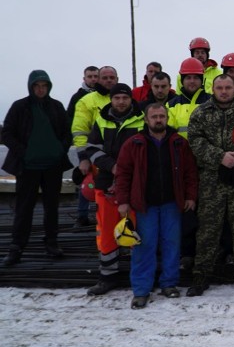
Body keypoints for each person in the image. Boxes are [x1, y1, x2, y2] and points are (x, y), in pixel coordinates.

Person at [114, 103, 199, 309]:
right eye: (154, 117)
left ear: (167, 118)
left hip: (172, 203)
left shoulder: (178, 143)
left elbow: (190, 172)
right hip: (145, 205)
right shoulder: (134, 143)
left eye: (162, 116)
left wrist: (190, 196)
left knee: (172, 244)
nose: (158, 120)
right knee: (145, 246)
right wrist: (123, 200)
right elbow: (123, 174)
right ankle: (141, 290)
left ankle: (169, 284)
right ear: (146, 119)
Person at [186, 75, 234, 296]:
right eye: (219, 87)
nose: (223, 91)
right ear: (213, 88)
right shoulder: (201, 112)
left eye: (228, 87)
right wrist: (220, 157)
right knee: (208, 230)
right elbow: (195, 139)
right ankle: (201, 276)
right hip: (212, 180)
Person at [1, 70, 73, 266]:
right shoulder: (20, 107)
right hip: (27, 166)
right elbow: (6, 133)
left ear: (49, 87)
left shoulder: (57, 107)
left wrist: (60, 150)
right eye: (37, 86)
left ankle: (51, 242)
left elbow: (68, 133)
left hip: (52, 166)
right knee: (24, 207)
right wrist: (24, 152)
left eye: (44, 86)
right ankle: (16, 247)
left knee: (52, 207)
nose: (41, 89)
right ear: (31, 87)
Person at [82, 83, 146, 295]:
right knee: (107, 232)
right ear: (111, 99)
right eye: (117, 98)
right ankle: (107, 277)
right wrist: (113, 166)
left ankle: (139, 276)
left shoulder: (142, 119)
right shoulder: (101, 120)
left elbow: (147, 150)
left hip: (135, 185)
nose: (121, 102)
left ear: (130, 99)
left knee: (136, 231)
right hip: (106, 184)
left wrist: (126, 169)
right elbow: (92, 149)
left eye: (124, 98)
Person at [167, 57, 209, 270]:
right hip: (181, 166)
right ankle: (187, 254)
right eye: (188, 77)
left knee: (211, 211)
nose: (192, 81)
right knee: (186, 211)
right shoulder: (172, 104)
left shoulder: (210, 100)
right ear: (182, 79)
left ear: (202, 79)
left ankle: (215, 251)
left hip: (208, 164)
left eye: (195, 77)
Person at [67, 65, 99, 227]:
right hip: (85, 145)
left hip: (102, 147)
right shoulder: (77, 97)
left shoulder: (106, 95)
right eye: (90, 76)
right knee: (85, 180)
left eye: (95, 76)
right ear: (84, 78)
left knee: (101, 182)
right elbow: (72, 121)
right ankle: (82, 215)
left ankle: (101, 215)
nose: (93, 79)